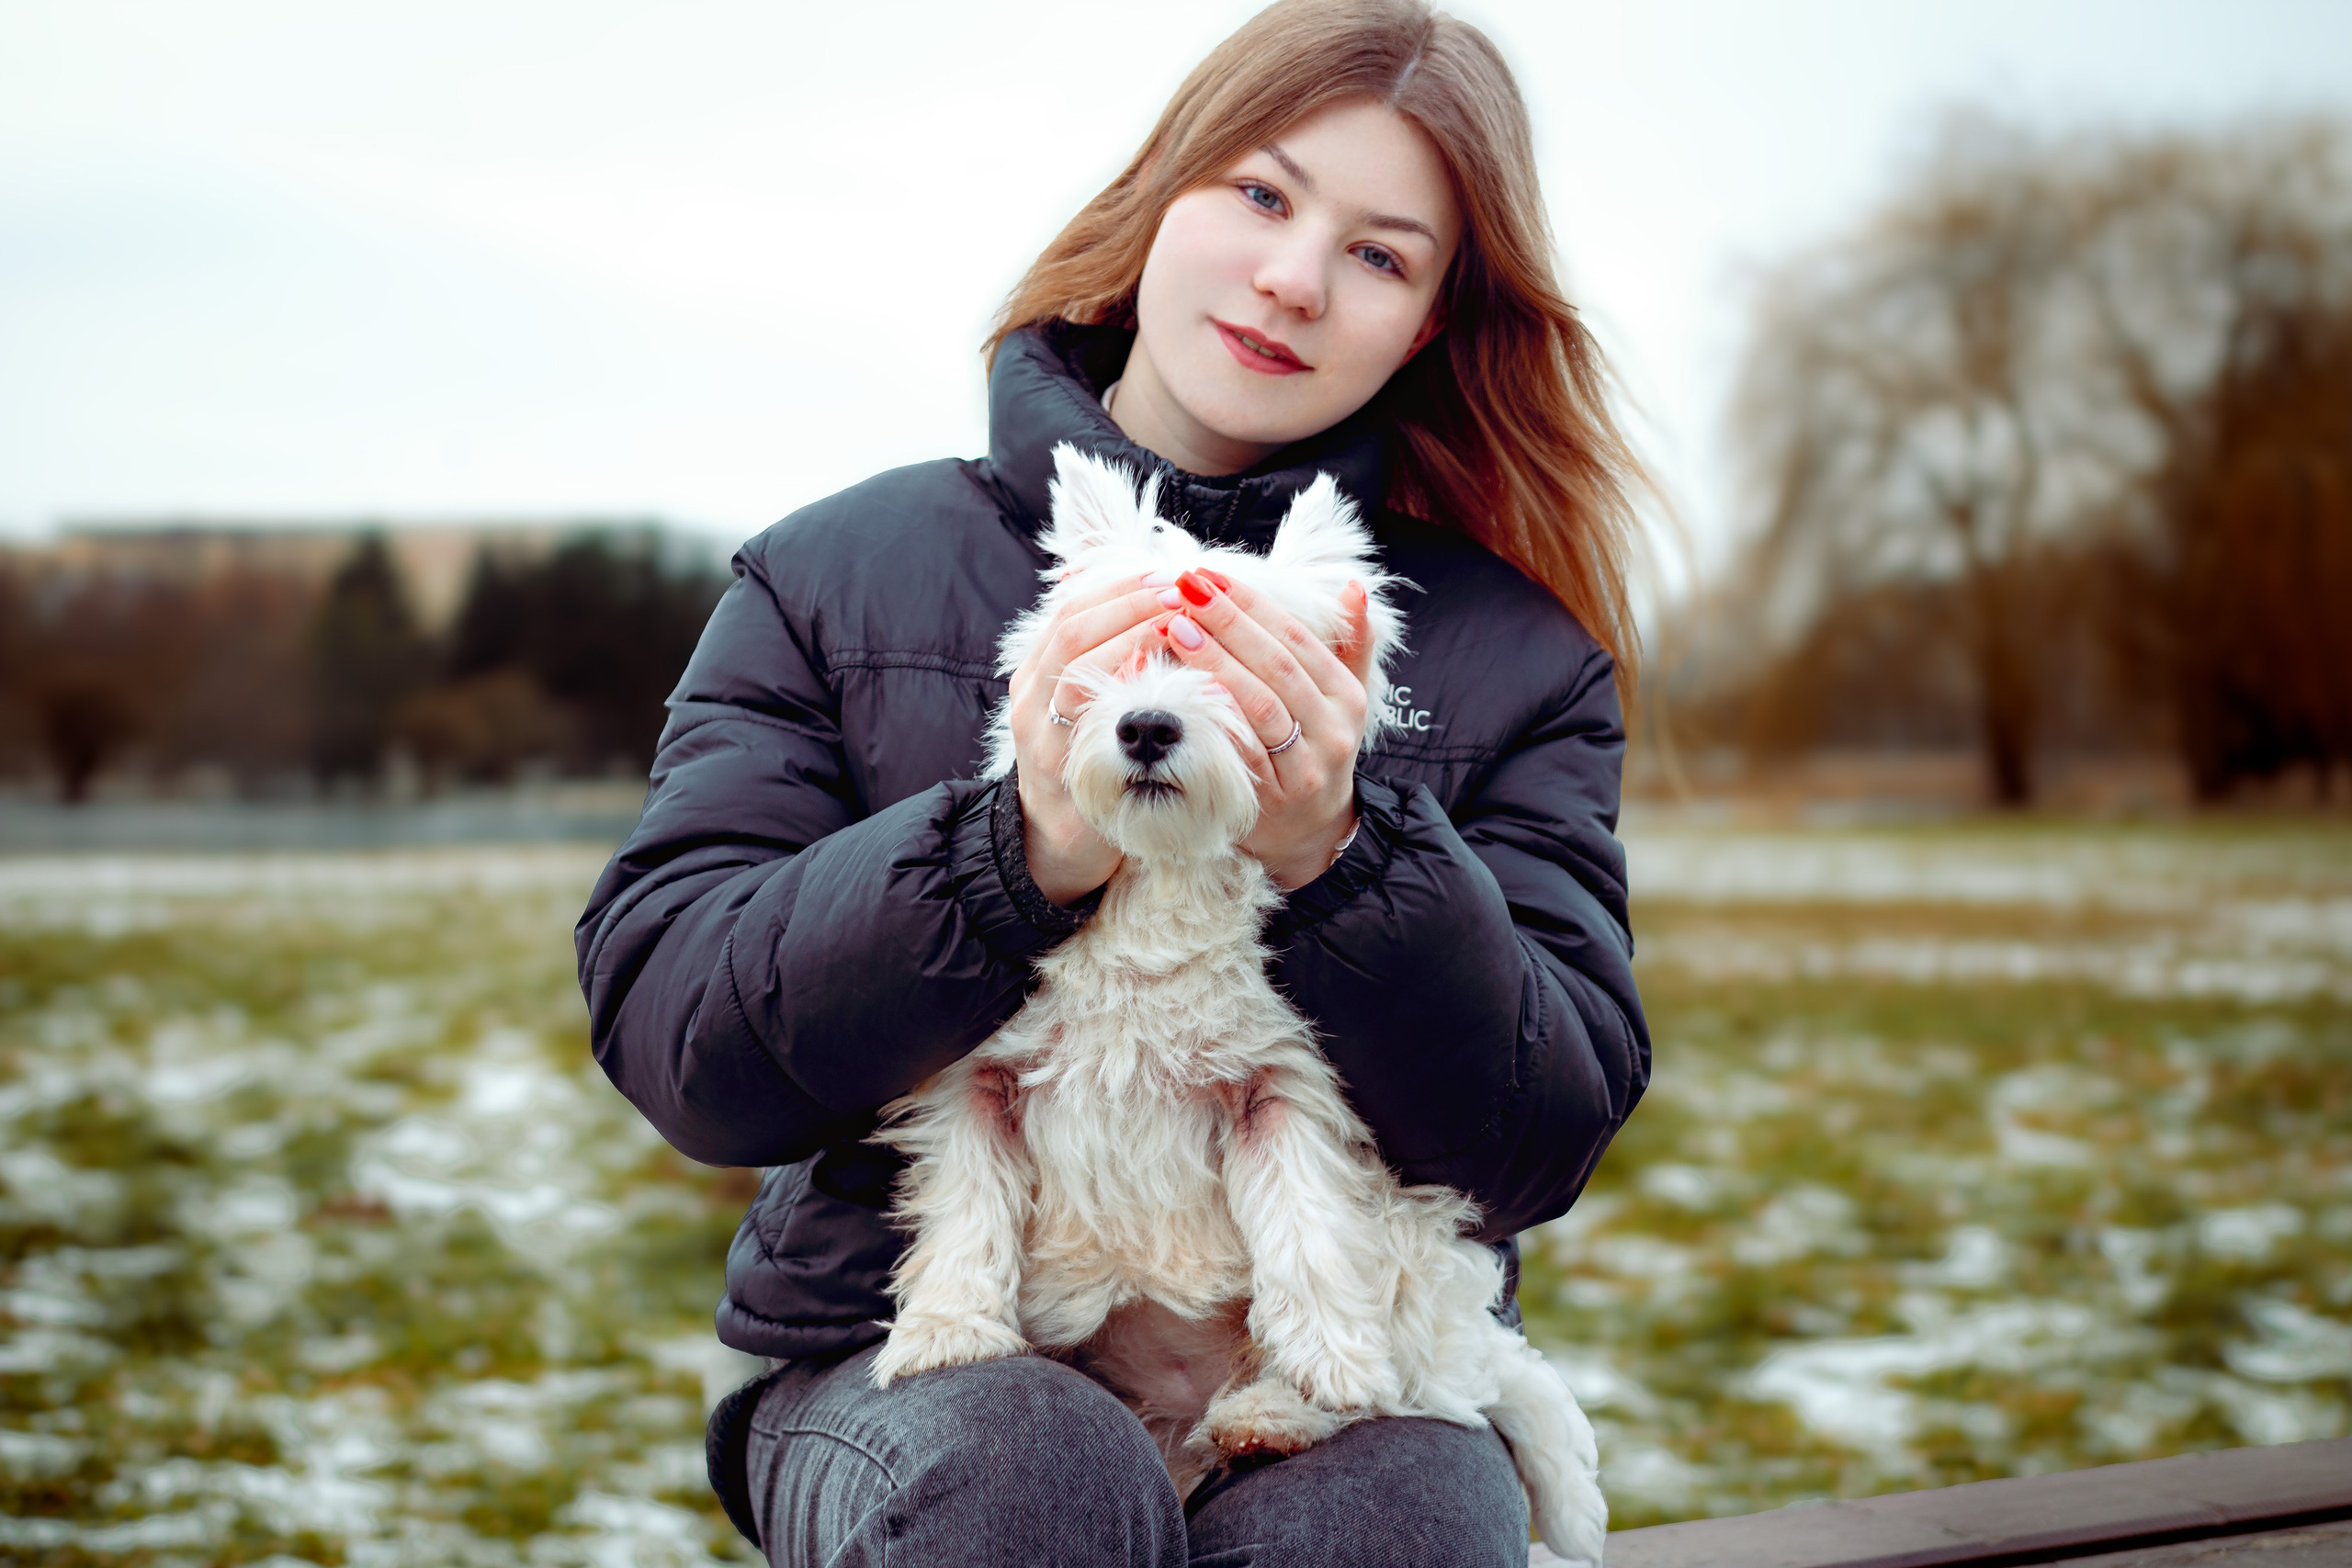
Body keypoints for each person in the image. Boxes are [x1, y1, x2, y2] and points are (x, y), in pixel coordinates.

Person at [576, 1, 1650, 1562]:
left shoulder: (1513, 659)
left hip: (1312, 1351)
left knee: (1401, 1514)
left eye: (1380, 253)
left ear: (1425, 324)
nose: (1293, 278)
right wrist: (1016, 847)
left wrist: (1341, 854)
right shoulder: (835, 575)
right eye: (1264, 196)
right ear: (1163, 192)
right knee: (1032, 1476)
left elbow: (1540, 1133)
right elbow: (683, 1043)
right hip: (896, 1346)